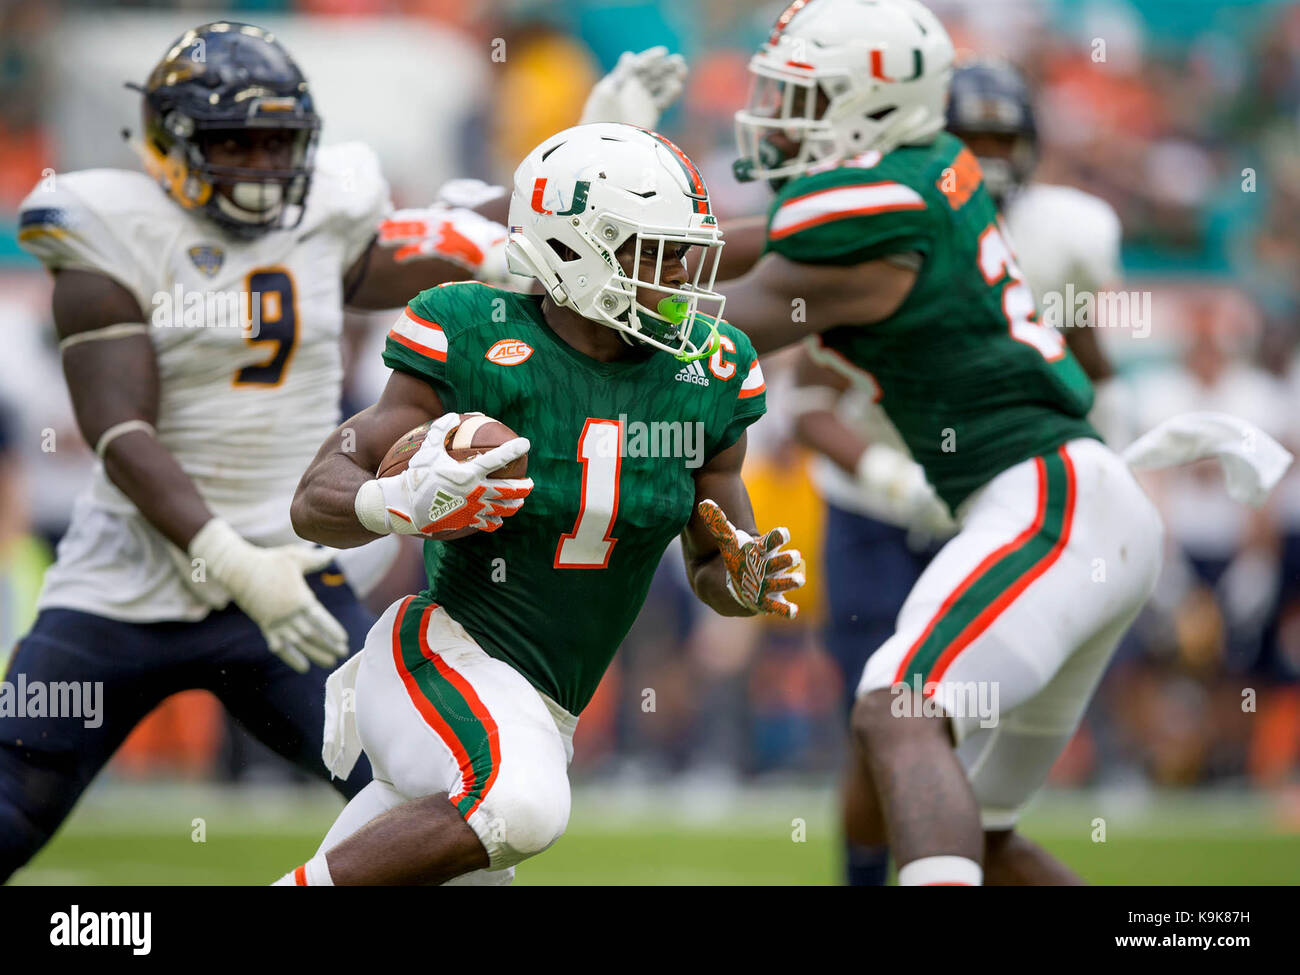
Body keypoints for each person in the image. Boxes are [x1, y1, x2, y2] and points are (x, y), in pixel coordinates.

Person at [0, 20, 537, 882]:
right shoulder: (108, 227)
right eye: (234, 142)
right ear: (171, 143)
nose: (259, 163)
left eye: (276, 141)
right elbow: (119, 427)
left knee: (425, 799)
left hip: (295, 573)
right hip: (127, 582)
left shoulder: (329, 209)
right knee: (13, 794)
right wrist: (231, 562)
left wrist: (565, 170)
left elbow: (451, 235)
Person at [275, 122, 802, 885]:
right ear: (571, 247)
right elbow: (313, 498)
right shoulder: (472, 331)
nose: (682, 273)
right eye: (653, 251)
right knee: (520, 807)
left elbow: (714, 561)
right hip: (442, 654)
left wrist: (743, 582)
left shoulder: (709, 376)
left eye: (685, 249)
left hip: (545, 710)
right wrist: (396, 500)